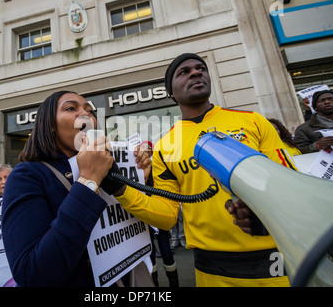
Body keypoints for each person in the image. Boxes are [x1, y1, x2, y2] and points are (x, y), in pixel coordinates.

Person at [113, 53, 296, 287]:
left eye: (201, 68)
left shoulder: (254, 121)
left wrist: (264, 215)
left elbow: (288, 182)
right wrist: (120, 188)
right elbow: (167, 217)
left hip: (274, 261)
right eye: (184, 72)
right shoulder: (164, 147)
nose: (196, 72)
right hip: (212, 270)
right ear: (170, 92)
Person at [1, 91, 151, 287]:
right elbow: (31, 273)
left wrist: (140, 182)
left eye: (90, 110)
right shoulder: (26, 176)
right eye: (71, 108)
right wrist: (88, 181)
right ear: (51, 125)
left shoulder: (108, 164)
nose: (86, 114)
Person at [140, 141, 179, 287]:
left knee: (166, 249)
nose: (146, 150)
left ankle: (174, 283)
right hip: (146, 213)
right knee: (150, 253)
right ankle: (154, 282)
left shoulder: (158, 164)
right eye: (144, 147)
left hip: (159, 210)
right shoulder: (139, 167)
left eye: (148, 147)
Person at [294, 90, 333, 154]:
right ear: (315, 107)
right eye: (321, 100)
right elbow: (299, 152)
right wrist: (316, 146)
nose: (327, 102)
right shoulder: (303, 129)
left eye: (331, 99)